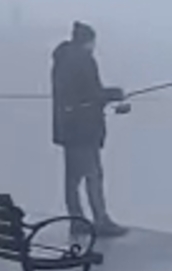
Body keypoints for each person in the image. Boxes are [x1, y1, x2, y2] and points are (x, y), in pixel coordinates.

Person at [51, 21, 128, 237]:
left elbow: (78, 96)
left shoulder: (61, 59)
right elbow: (92, 94)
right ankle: (101, 221)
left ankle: (76, 220)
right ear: (88, 41)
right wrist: (115, 94)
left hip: (67, 128)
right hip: (84, 130)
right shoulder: (84, 60)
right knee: (94, 175)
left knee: (72, 179)